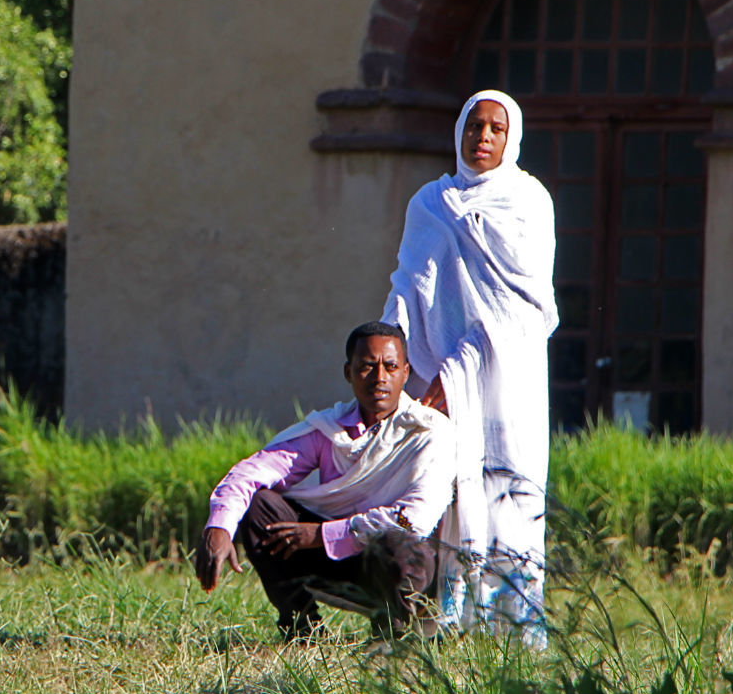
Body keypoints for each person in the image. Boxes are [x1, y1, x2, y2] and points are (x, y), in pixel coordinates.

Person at [381, 89, 558, 646]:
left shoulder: (529, 202)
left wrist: (456, 373)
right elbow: (408, 290)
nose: (482, 137)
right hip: (435, 385)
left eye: (495, 129)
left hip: (508, 388)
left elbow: (523, 309)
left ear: (512, 139)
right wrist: (392, 361)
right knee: (450, 492)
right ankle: (449, 622)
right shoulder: (429, 205)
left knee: (512, 498)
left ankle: (513, 631)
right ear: (457, 132)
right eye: (473, 126)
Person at [194, 321, 455, 641]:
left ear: (405, 372)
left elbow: (412, 518)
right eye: (367, 367)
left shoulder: (428, 433)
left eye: (390, 367)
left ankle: (395, 637)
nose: (379, 378)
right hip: (338, 562)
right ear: (348, 373)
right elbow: (251, 472)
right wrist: (219, 527)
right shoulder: (330, 430)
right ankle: (300, 629)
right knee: (260, 506)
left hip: (402, 569)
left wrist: (322, 534)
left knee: (397, 544)